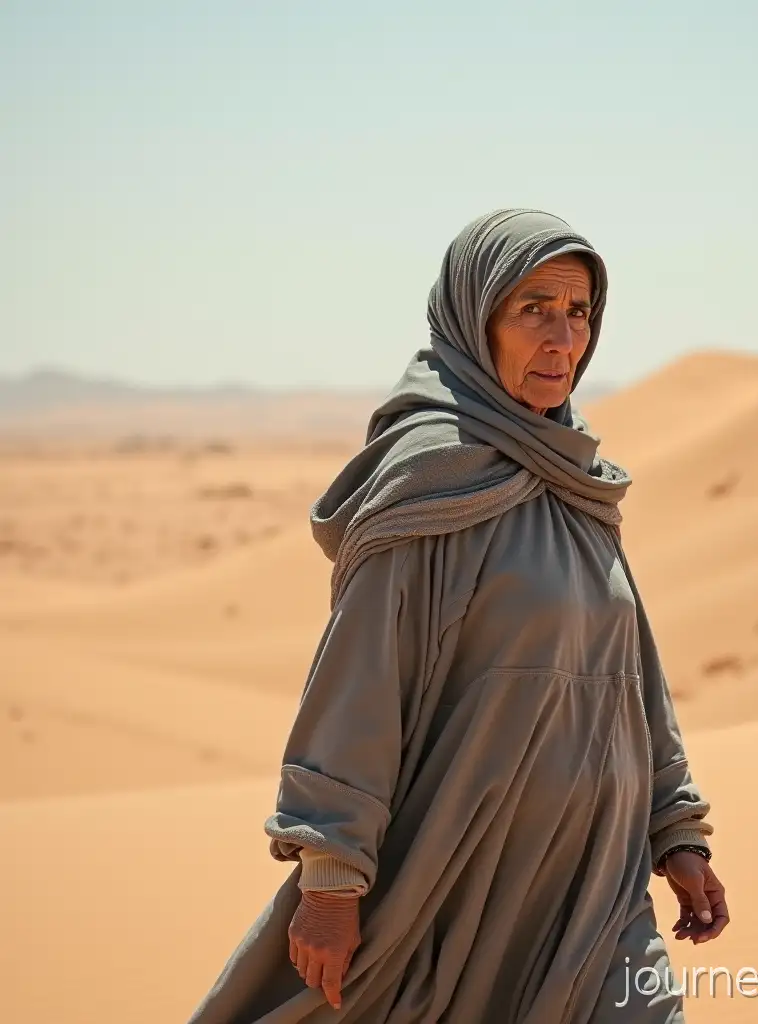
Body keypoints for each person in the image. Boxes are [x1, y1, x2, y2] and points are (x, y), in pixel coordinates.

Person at [188, 209, 729, 1024]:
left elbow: (628, 673)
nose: (562, 339)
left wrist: (676, 827)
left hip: (596, 894)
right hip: (452, 885)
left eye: (578, 312)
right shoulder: (429, 478)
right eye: (533, 309)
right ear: (475, 321)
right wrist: (331, 877)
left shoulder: (579, 484)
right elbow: (361, 681)